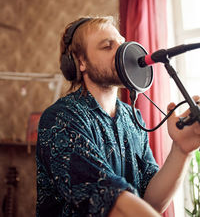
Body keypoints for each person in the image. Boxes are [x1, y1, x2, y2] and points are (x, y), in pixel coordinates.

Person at [36, 16, 200, 217]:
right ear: (81, 62)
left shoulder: (133, 119)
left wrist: (182, 150)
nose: (123, 51)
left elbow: (150, 202)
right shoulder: (61, 119)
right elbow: (116, 206)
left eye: (122, 44)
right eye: (107, 46)